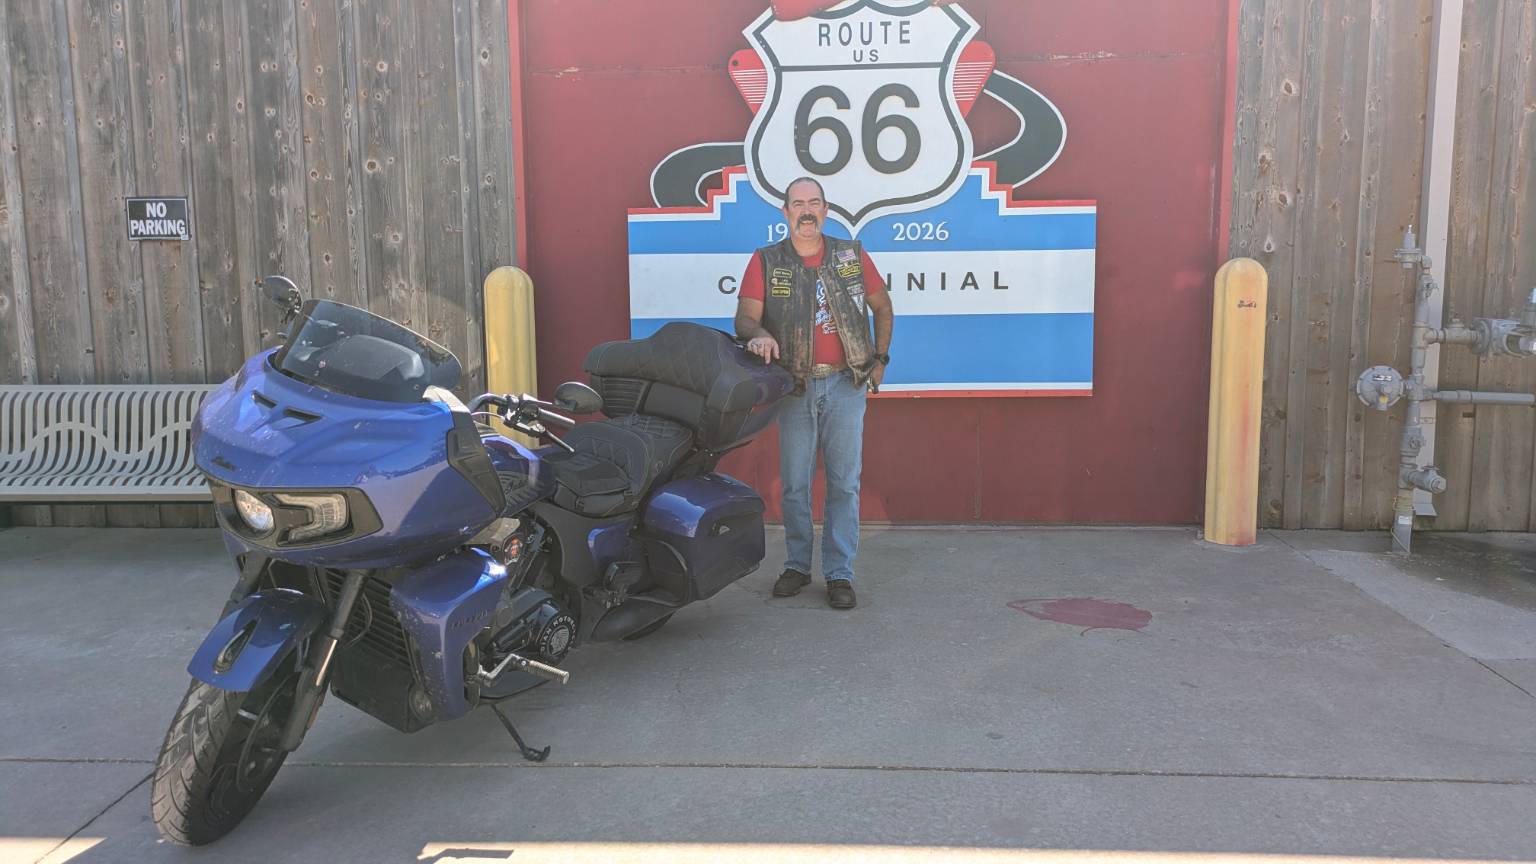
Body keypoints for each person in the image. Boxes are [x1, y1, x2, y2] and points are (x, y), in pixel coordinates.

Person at [733, 177, 893, 609]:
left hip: (845, 383)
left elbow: (882, 306)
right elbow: (744, 318)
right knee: (795, 484)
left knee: (844, 483)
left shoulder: (850, 255)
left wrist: (880, 358)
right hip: (794, 385)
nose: (806, 211)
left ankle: (840, 573)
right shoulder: (767, 261)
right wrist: (758, 333)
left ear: (825, 209)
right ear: (785, 212)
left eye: (814, 203)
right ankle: (797, 566)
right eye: (798, 203)